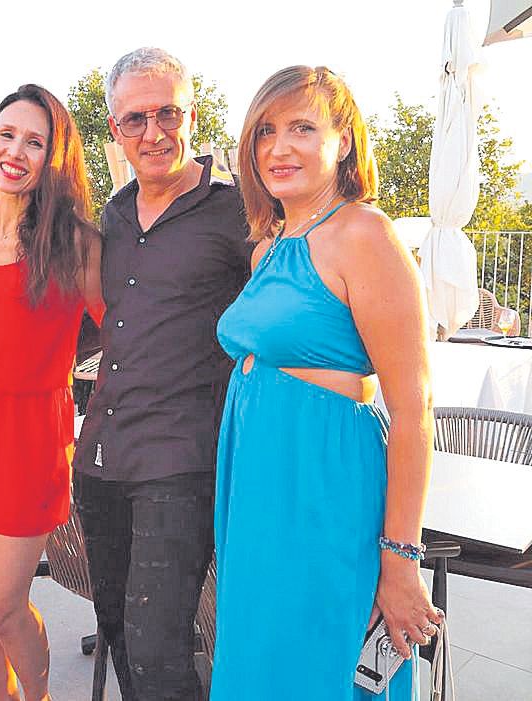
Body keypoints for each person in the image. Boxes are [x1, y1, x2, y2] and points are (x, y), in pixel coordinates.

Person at [212, 65, 443, 699]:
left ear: (343, 142)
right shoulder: (269, 245)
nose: (277, 147)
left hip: (323, 489)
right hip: (257, 489)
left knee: (318, 666)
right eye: (265, 131)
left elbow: (415, 408)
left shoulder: (365, 234)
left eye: (301, 128)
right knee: (259, 662)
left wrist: (400, 559)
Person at [73, 47, 251, 700]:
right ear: (114, 131)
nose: (153, 133)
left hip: (180, 462)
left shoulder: (237, 212)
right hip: (100, 458)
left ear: (191, 114)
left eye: (167, 113)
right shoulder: (112, 217)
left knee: (158, 648)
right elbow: (88, 323)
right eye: (135, 119)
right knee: (118, 630)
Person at [0, 84, 104, 701]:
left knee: (1, 602)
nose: (16, 151)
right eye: (6, 134)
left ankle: (37, 696)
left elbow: (126, 336)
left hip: (28, 444)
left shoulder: (78, 240)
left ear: (55, 158)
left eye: (35, 142)